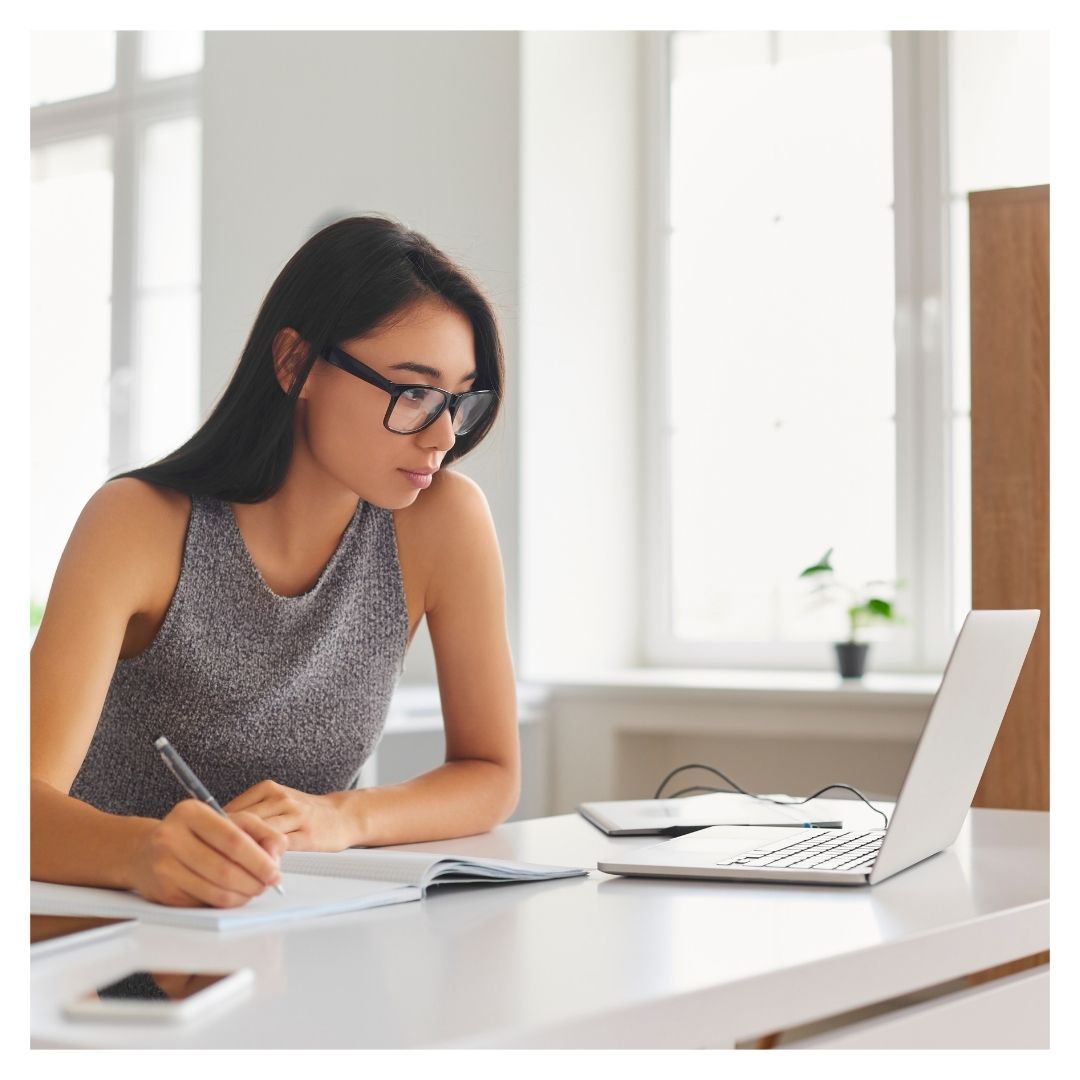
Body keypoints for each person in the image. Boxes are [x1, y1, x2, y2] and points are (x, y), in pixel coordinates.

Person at [30, 215, 519, 909]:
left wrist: (342, 817)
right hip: (107, 935)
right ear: (296, 363)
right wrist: (143, 851)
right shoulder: (138, 523)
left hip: (293, 927)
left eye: (458, 401)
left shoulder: (443, 521)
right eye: (412, 392)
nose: (442, 435)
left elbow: (490, 771)